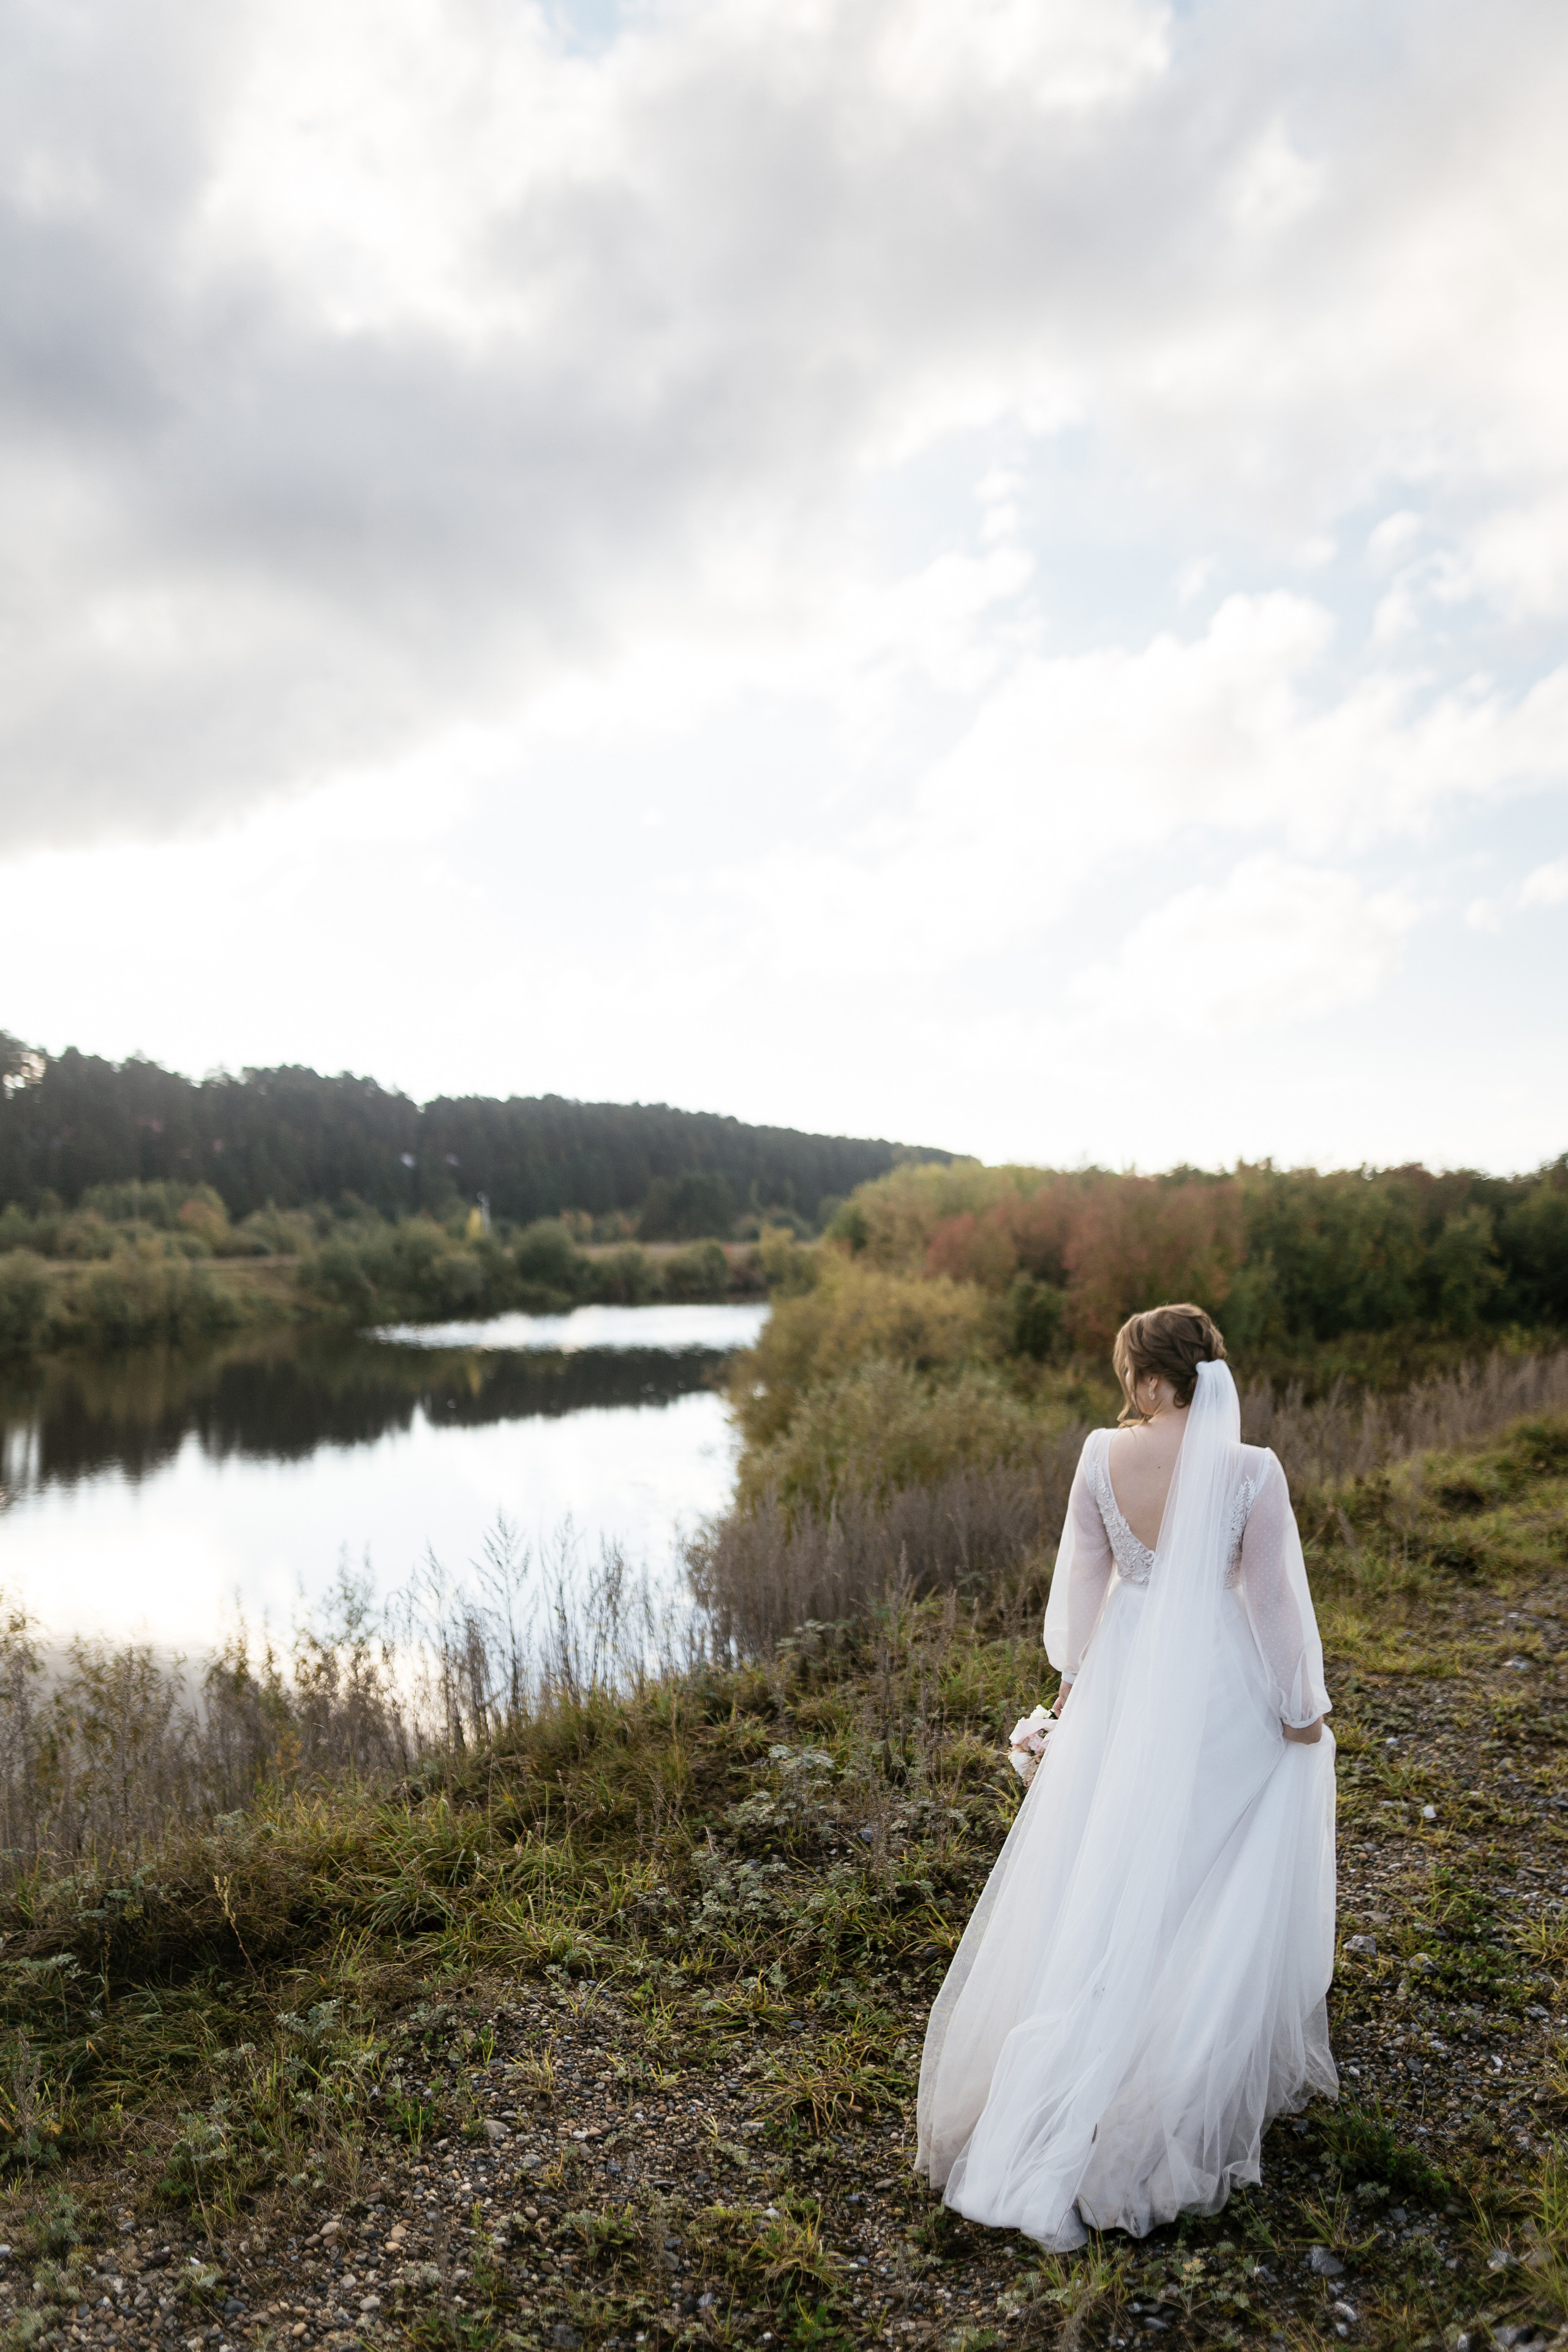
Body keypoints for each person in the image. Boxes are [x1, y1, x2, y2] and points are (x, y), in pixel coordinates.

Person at [915, 1303, 1336, 2248]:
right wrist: (1298, 1708)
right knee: (1207, 1859)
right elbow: (1270, 1600)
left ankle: (1086, 2046)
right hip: (1217, 1682)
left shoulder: (1102, 1456)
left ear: (1150, 1379)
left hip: (1127, 1671)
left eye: (1127, 1373)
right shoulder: (1250, 1469)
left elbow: (1082, 1586)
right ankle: (1179, 2050)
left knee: (1109, 1861)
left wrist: (1072, 1682)